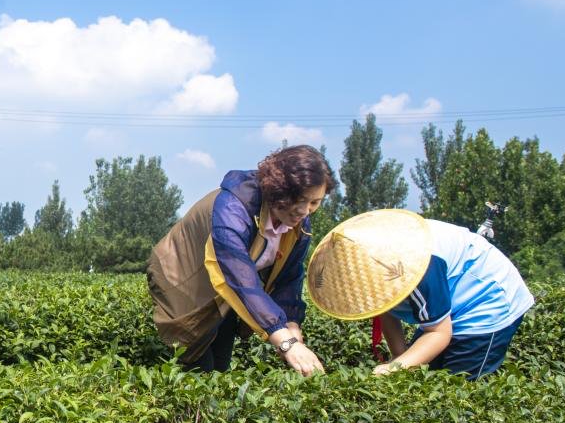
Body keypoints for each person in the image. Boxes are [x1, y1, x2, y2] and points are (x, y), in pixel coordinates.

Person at [146, 145, 337, 375]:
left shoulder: (298, 225)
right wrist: (285, 342)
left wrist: (292, 325)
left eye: (314, 203)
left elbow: (289, 276)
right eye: (298, 199)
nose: (304, 211)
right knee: (196, 359)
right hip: (184, 277)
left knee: (221, 363)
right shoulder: (234, 207)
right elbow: (239, 276)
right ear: (278, 189)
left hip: (225, 293)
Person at [306, 209, 534, 380]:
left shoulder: (418, 267)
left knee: (456, 387)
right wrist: (399, 358)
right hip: (447, 305)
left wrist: (393, 369)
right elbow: (384, 308)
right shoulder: (375, 265)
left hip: (487, 301)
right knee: (421, 372)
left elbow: (438, 333)